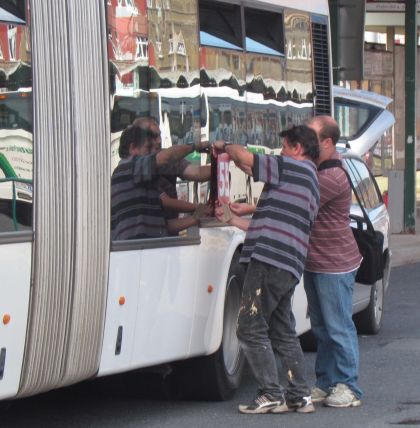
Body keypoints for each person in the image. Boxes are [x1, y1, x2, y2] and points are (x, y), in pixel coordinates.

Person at [213, 125, 320, 414]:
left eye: (284, 147)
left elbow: (246, 160)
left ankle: (270, 392)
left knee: (249, 327)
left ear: (297, 148)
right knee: (282, 330)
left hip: (269, 261)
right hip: (288, 264)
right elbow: (267, 226)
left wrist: (225, 145)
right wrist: (233, 219)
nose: (281, 152)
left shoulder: (290, 168)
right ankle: (299, 395)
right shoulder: (310, 182)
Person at [304, 115, 363, 408]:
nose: (304, 142)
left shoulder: (332, 176)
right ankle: (326, 382)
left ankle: (349, 386)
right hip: (316, 261)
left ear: (327, 142)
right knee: (322, 330)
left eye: (310, 137)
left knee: (338, 327)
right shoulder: (318, 169)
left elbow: (299, 201)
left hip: (334, 264)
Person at [111, 122, 210, 241]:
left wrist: (197, 215)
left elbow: (163, 226)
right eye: (148, 148)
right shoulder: (131, 168)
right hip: (136, 251)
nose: (153, 152)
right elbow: (167, 156)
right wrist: (195, 146)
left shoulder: (143, 179)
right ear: (132, 148)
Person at [134, 117, 212, 226]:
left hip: (165, 230)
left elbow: (195, 172)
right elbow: (165, 202)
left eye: (159, 135)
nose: (159, 141)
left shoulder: (167, 158)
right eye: (153, 136)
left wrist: (219, 166)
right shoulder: (135, 166)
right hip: (150, 233)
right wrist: (199, 209)